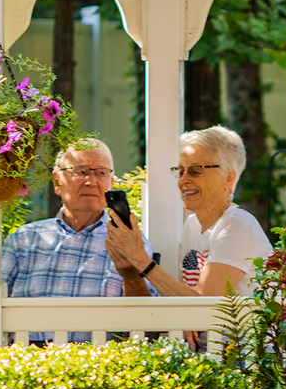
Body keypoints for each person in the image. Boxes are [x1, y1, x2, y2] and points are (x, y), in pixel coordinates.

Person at [0, 138, 154, 343]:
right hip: (25, 363)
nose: (91, 181)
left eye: (101, 173)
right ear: (56, 182)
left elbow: (150, 323)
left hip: (95, 365)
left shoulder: (131, 241)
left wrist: (131, 277)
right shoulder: (24, 240)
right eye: (81, 172)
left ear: (111, 184)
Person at [105, 126, 273, 345]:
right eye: (180, 170)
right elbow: (189, 303)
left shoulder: (237, 225)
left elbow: (204, 309)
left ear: (228, 178)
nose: (183, 180)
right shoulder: (193, 225)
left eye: (195, 171)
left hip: (246, 361)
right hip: (208, 354)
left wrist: (142, 261)